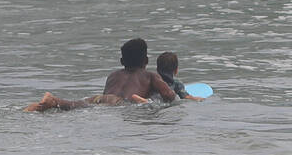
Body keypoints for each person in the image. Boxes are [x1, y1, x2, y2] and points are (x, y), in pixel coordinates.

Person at [24, 37, 178, 112]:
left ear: (121, 60)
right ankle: (53, 101)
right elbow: (169, 95)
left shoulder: (113, 75)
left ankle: (52, 101)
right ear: (146, 60)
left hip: (100, 98)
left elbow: (107, 97)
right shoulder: (149, 75)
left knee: (76, 105)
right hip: (120, 104)